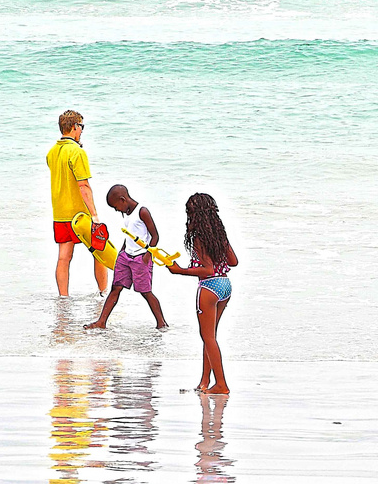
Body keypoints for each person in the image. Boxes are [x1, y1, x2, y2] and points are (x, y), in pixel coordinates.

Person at [168, 194, 237, 393]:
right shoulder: (219, 235)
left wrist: (180, 270)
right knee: (210, 337)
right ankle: (205, 381)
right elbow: (233, 262)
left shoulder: (198, 237)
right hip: (225, 285)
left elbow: (207, 270)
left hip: (209, 288)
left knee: (207, 338)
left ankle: (221, 384)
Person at [85, 184, 168, 330]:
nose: (117, 210)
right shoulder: (127, 213)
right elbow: (130, 236)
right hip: (125, 256)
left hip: (141, 257)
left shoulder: (142, 212)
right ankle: (101, 322)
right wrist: (121, 253)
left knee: (145, 291)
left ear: (123, 200)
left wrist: (147, 256)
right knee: (115, 288)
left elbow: (155, 236)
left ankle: (162, 323)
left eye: (116, 207)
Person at [46, 110, 108, 296]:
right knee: (100, 252)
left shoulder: (52, 152)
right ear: (74, 127)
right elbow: (83, 186)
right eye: (81, 127)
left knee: (64, 258)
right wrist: (94, 215)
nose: (81, 131)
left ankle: (63, 298)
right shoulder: (77, 152)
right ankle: (103, 293)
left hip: (60, 212)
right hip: (80, 215)